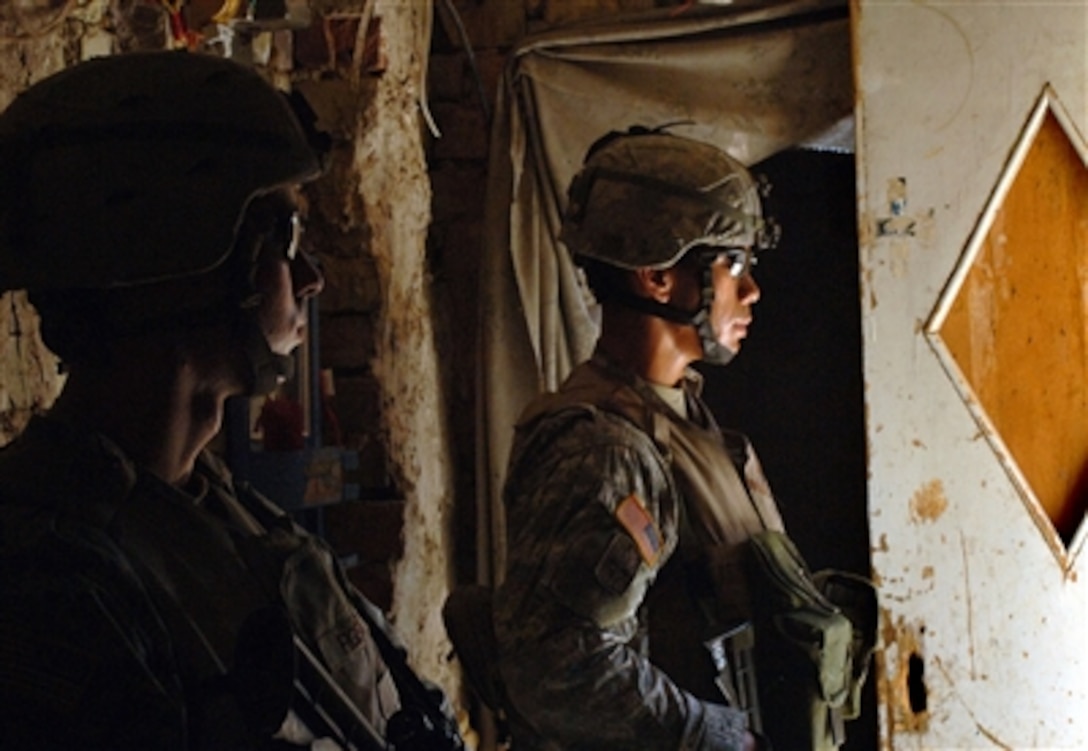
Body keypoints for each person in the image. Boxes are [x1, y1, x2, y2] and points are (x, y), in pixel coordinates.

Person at [0, 51, 458, 750]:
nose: (309, 277)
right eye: (285, 238)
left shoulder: (216, 510)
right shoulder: (50, 578)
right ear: (181, 259)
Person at [487, 127, 786, 750]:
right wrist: (719, 739)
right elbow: (560, 666)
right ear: (656, 277)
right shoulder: (608, 451)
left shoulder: (678, 417)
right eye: (732, 265)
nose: (751, 290)